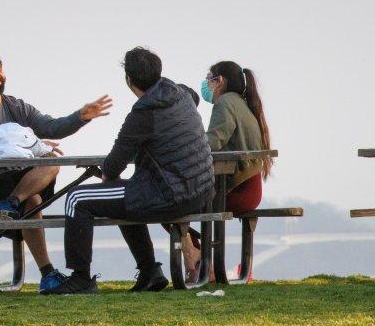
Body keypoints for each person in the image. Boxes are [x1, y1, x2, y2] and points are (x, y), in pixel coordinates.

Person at [44, 47, 213, 295]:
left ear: (129, 80)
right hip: (201, 193)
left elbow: (113, 166)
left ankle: (80, 278)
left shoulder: (141, 115)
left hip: (170, 195)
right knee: (127, 195)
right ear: (159, 71)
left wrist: (106, 177)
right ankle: (149, 273)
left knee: (76, 198)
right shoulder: (182, 95)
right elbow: (194, 97)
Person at [0, 47, 113, 294]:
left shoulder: (16, 106)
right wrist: (32, 144)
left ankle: (10, 205)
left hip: (18, 185)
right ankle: (47, 273)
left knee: (50, 161)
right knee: (33, 198)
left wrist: (81, 116)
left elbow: (51, 126)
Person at [180, 60, 272, 279]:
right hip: (248, 188)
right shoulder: (241, 103)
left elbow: (213, 142)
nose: (206, 85)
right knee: (179, 204)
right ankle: (204, 262)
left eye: (209, 79)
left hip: (234, 191)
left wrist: (184, 146)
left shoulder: (225, 103)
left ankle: (198, 260)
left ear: (219, 80)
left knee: (173, 204)